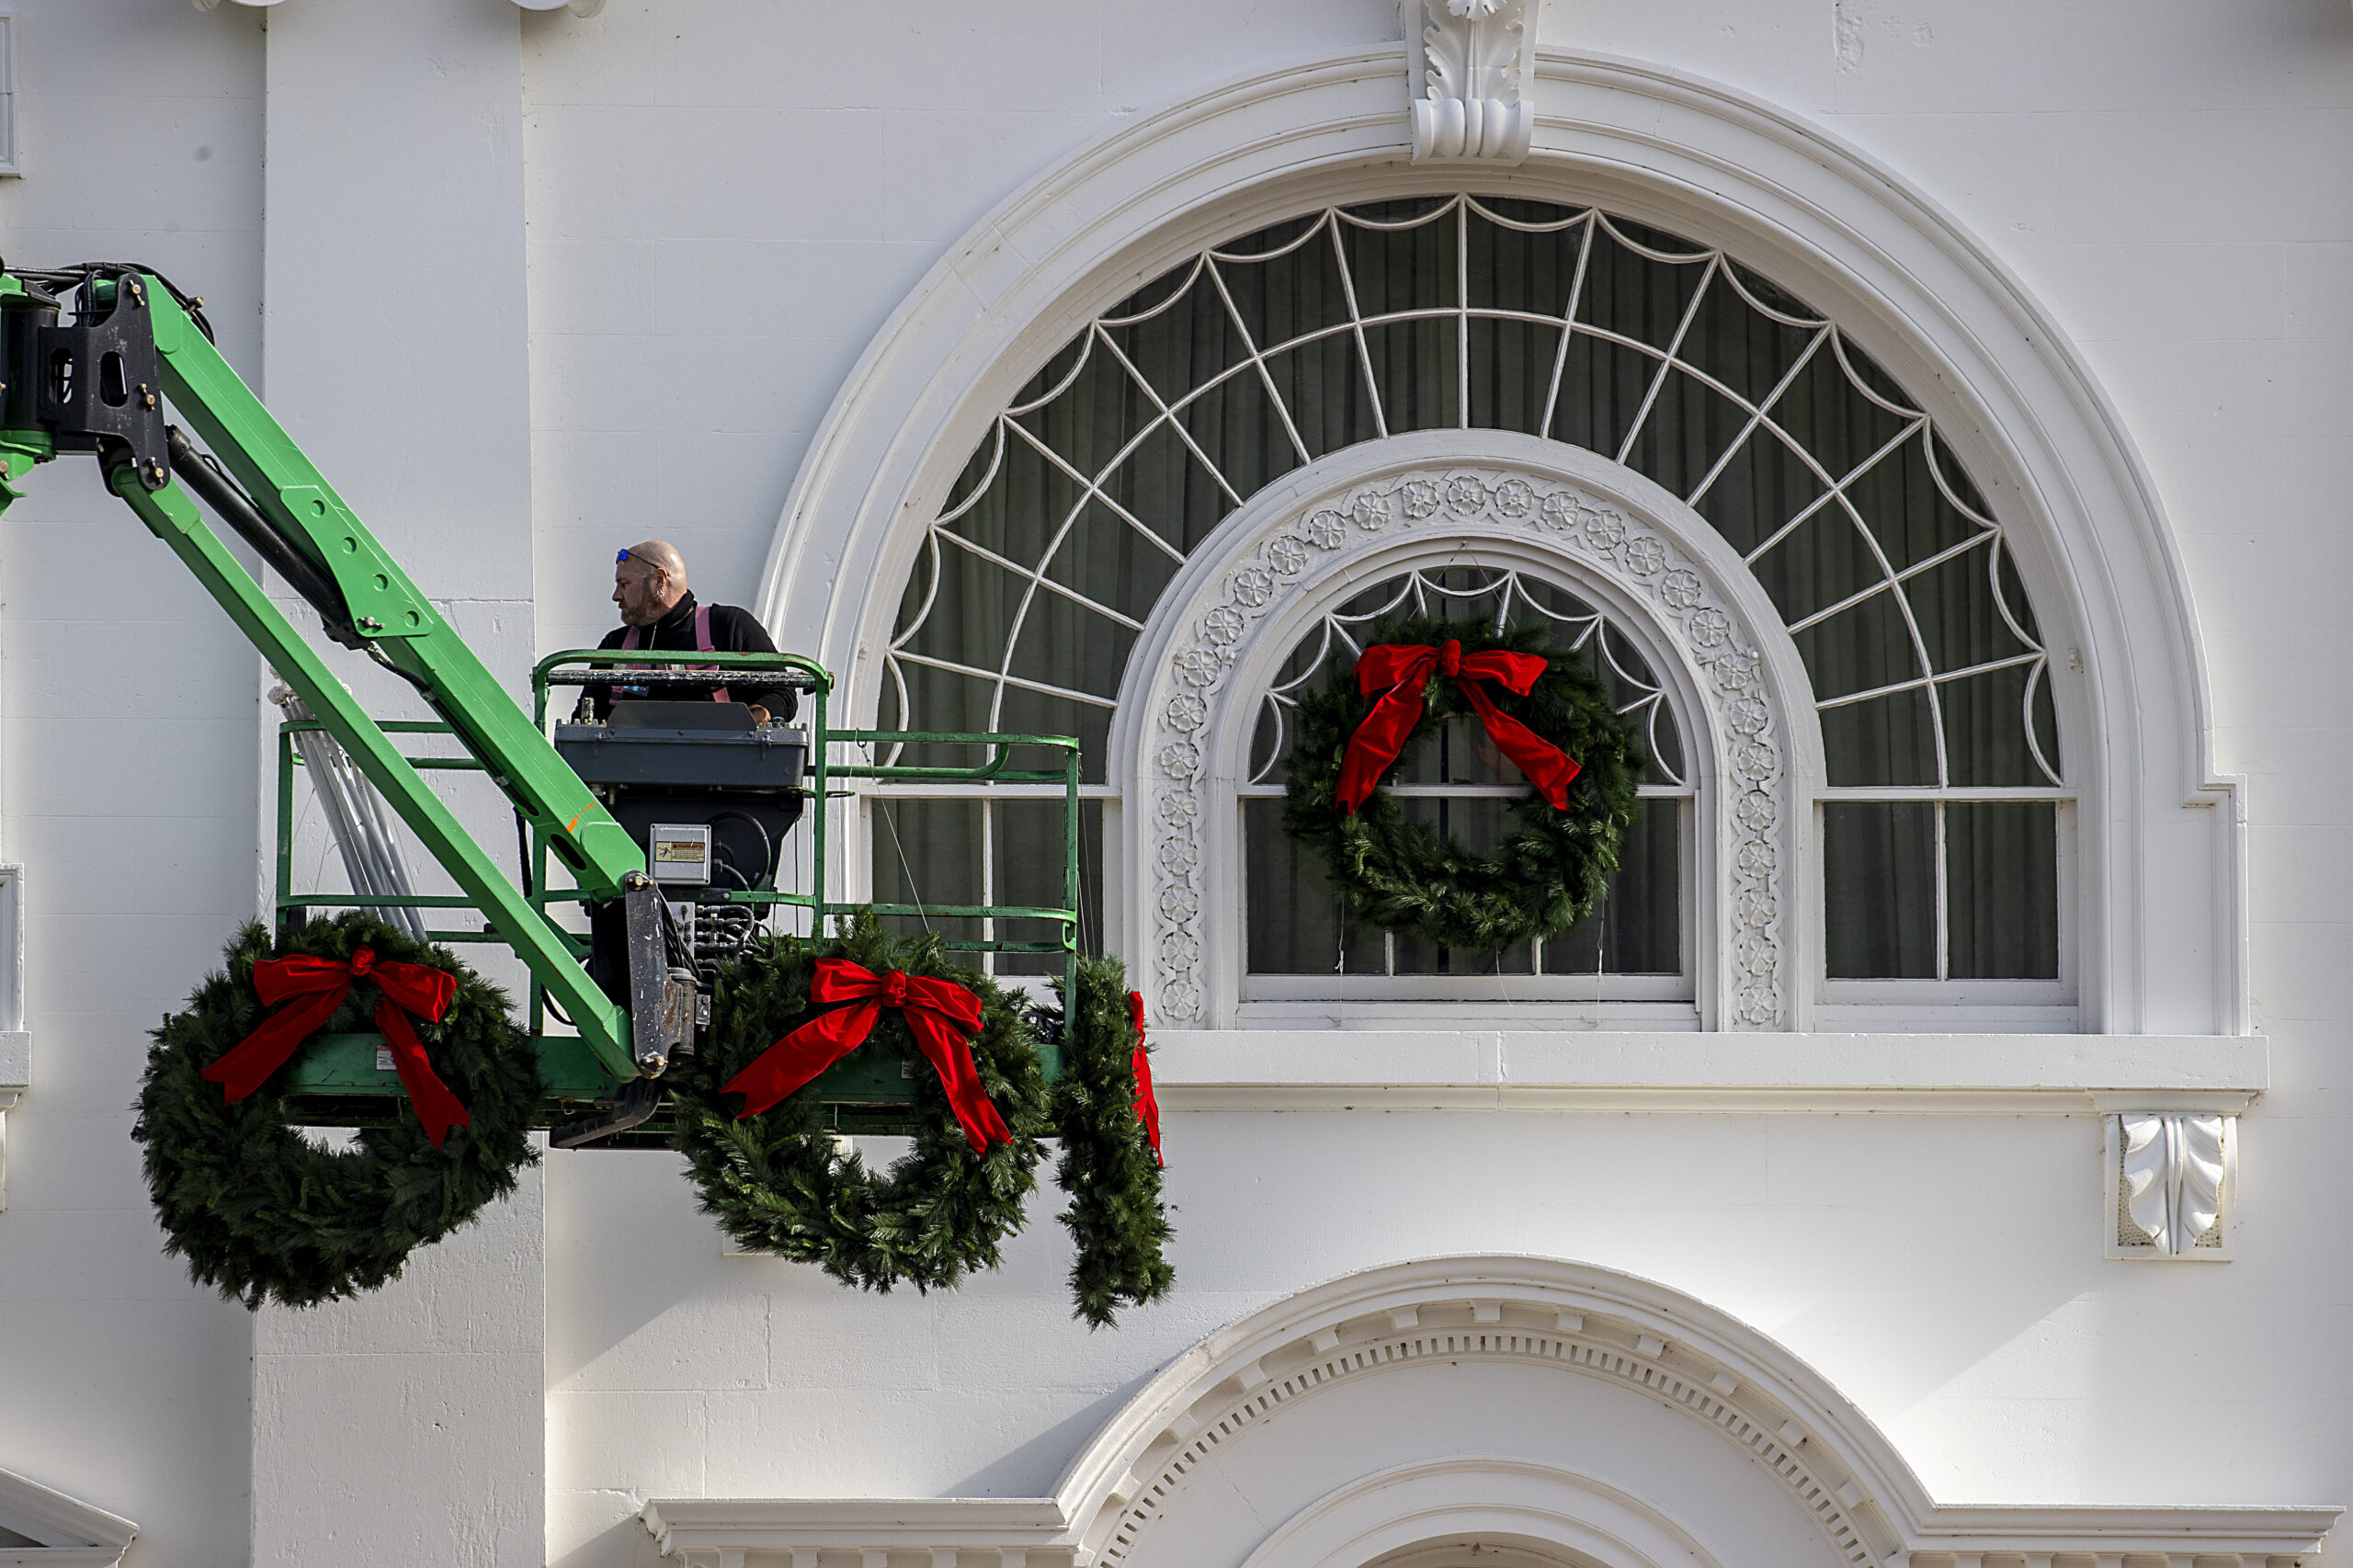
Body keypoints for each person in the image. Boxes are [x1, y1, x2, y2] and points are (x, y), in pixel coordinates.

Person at [586, 540, 798, 722]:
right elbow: (583, 721)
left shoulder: (728, 626)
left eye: (624, 584)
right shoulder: (614, 645)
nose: (616, 596)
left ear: (659, 581)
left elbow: (782, 692)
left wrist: (752, 718)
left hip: (721, 765)